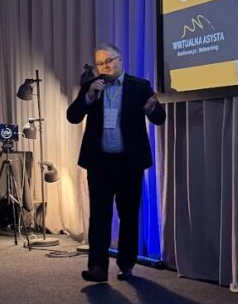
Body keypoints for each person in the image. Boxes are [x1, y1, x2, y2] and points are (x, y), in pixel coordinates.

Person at [66, 43, 165, 282]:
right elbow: (73, 116)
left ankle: (126, 264)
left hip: (129, 164)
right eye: (100, 63)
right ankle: (97, 268)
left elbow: (160, 118)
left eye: (109, 61)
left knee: (128, 216)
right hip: (99, 164)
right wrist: (88, 97)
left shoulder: (139, 86)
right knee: (99, 216)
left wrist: (151, 110)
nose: (105, 66)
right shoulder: (92, 86)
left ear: (120, 60)